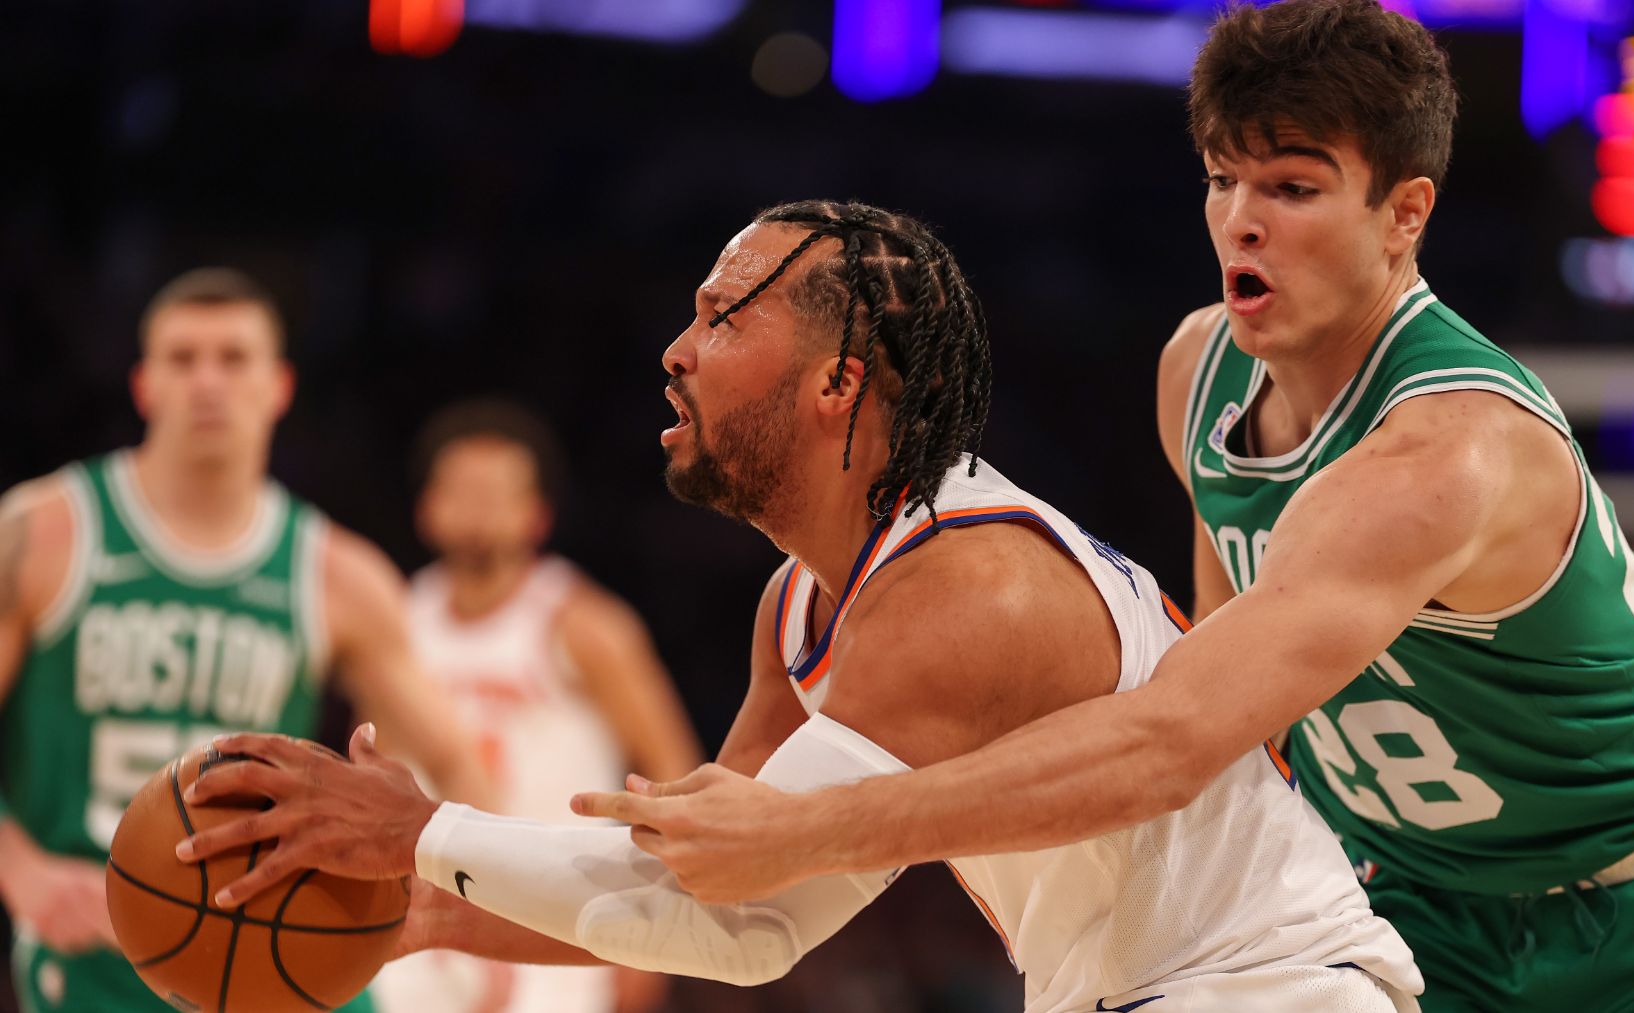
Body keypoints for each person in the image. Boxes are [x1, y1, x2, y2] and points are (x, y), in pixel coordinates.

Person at [558, 4, 1634, 1011]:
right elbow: (1233, 700)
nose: (1243, 218)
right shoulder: (1196, 373)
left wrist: (818, 827)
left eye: (1296, 187)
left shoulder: (1445, 451)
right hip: (1413, 894)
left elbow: (1169, 737)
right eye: (1221, 177)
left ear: (1404, 212)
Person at [174, 202, 1425, 1012]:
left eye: (723, 315)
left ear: (838, 379)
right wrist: (432, 904)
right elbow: (711, 901)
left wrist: (421, 827)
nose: (676, 347)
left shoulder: (962, 584)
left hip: (1265, 987)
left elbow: (742, 914)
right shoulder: (801, 603)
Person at [0, 267, 490, 1013]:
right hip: (96, 937)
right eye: (183, 358)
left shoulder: (337, 572)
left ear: (279, 385)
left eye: (232, 358)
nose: (208, 382)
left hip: (274, 926)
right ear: (144, 385)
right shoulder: (40, 532)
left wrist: (473, 895)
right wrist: (24, 872)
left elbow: (454, 758)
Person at [373, 400, 701, 1013]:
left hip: (555, 919)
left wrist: (661, 923)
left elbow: (673, 773)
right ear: (428, 506)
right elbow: (373, 771)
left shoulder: (586, 625)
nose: (478, 506)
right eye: (463, 490)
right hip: (423, 926)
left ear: (538, 513)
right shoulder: (395, 623)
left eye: (498, 492)